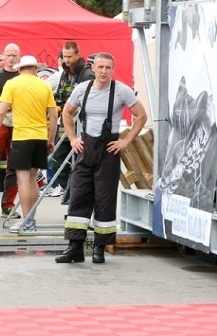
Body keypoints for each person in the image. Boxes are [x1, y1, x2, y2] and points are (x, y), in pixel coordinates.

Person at [55, 53, 147, 264]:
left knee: (105, 199)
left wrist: (125, 141)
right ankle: (75, 248)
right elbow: (66, 113)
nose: (104, 71)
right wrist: (72, 138)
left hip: (109, 150)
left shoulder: (121, 90)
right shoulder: (82, 89)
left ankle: (99, 248)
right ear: (93, 68)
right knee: (78, 196)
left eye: (108, 67)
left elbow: (141, 116)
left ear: (112, 70)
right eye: (101, 67)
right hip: (86, 147)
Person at [0, 55, 58, 234]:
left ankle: (27, 222)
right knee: (33, 180)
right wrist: (50, 139)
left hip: (22, 137)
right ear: (35, 69)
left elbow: (2, 110)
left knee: (23, 181)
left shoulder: (12, 84)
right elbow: (54, 116)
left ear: (19, 69)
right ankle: (31, 219)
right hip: (40, 137)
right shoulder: (44, 85)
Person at [46, 41, 95, 198]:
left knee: (79, 165)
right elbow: (60, 95)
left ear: (78, 55)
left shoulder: (87, 74)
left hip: (82, 128)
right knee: (56, 160)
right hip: (65, 125)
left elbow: (90, 101)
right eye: (64, 56)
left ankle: (77, 197)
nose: (66, 60)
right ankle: (74, 194)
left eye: (69, 56)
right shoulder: (64, 73)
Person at [0, 43, 21, 218]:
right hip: (1, 123)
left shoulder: (24, 77)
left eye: (14, 55)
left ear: (19, 57)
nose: (12, 58)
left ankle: (7, 205)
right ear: (4, 57)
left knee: (14, 167)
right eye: (9, 55)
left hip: (19, 125)